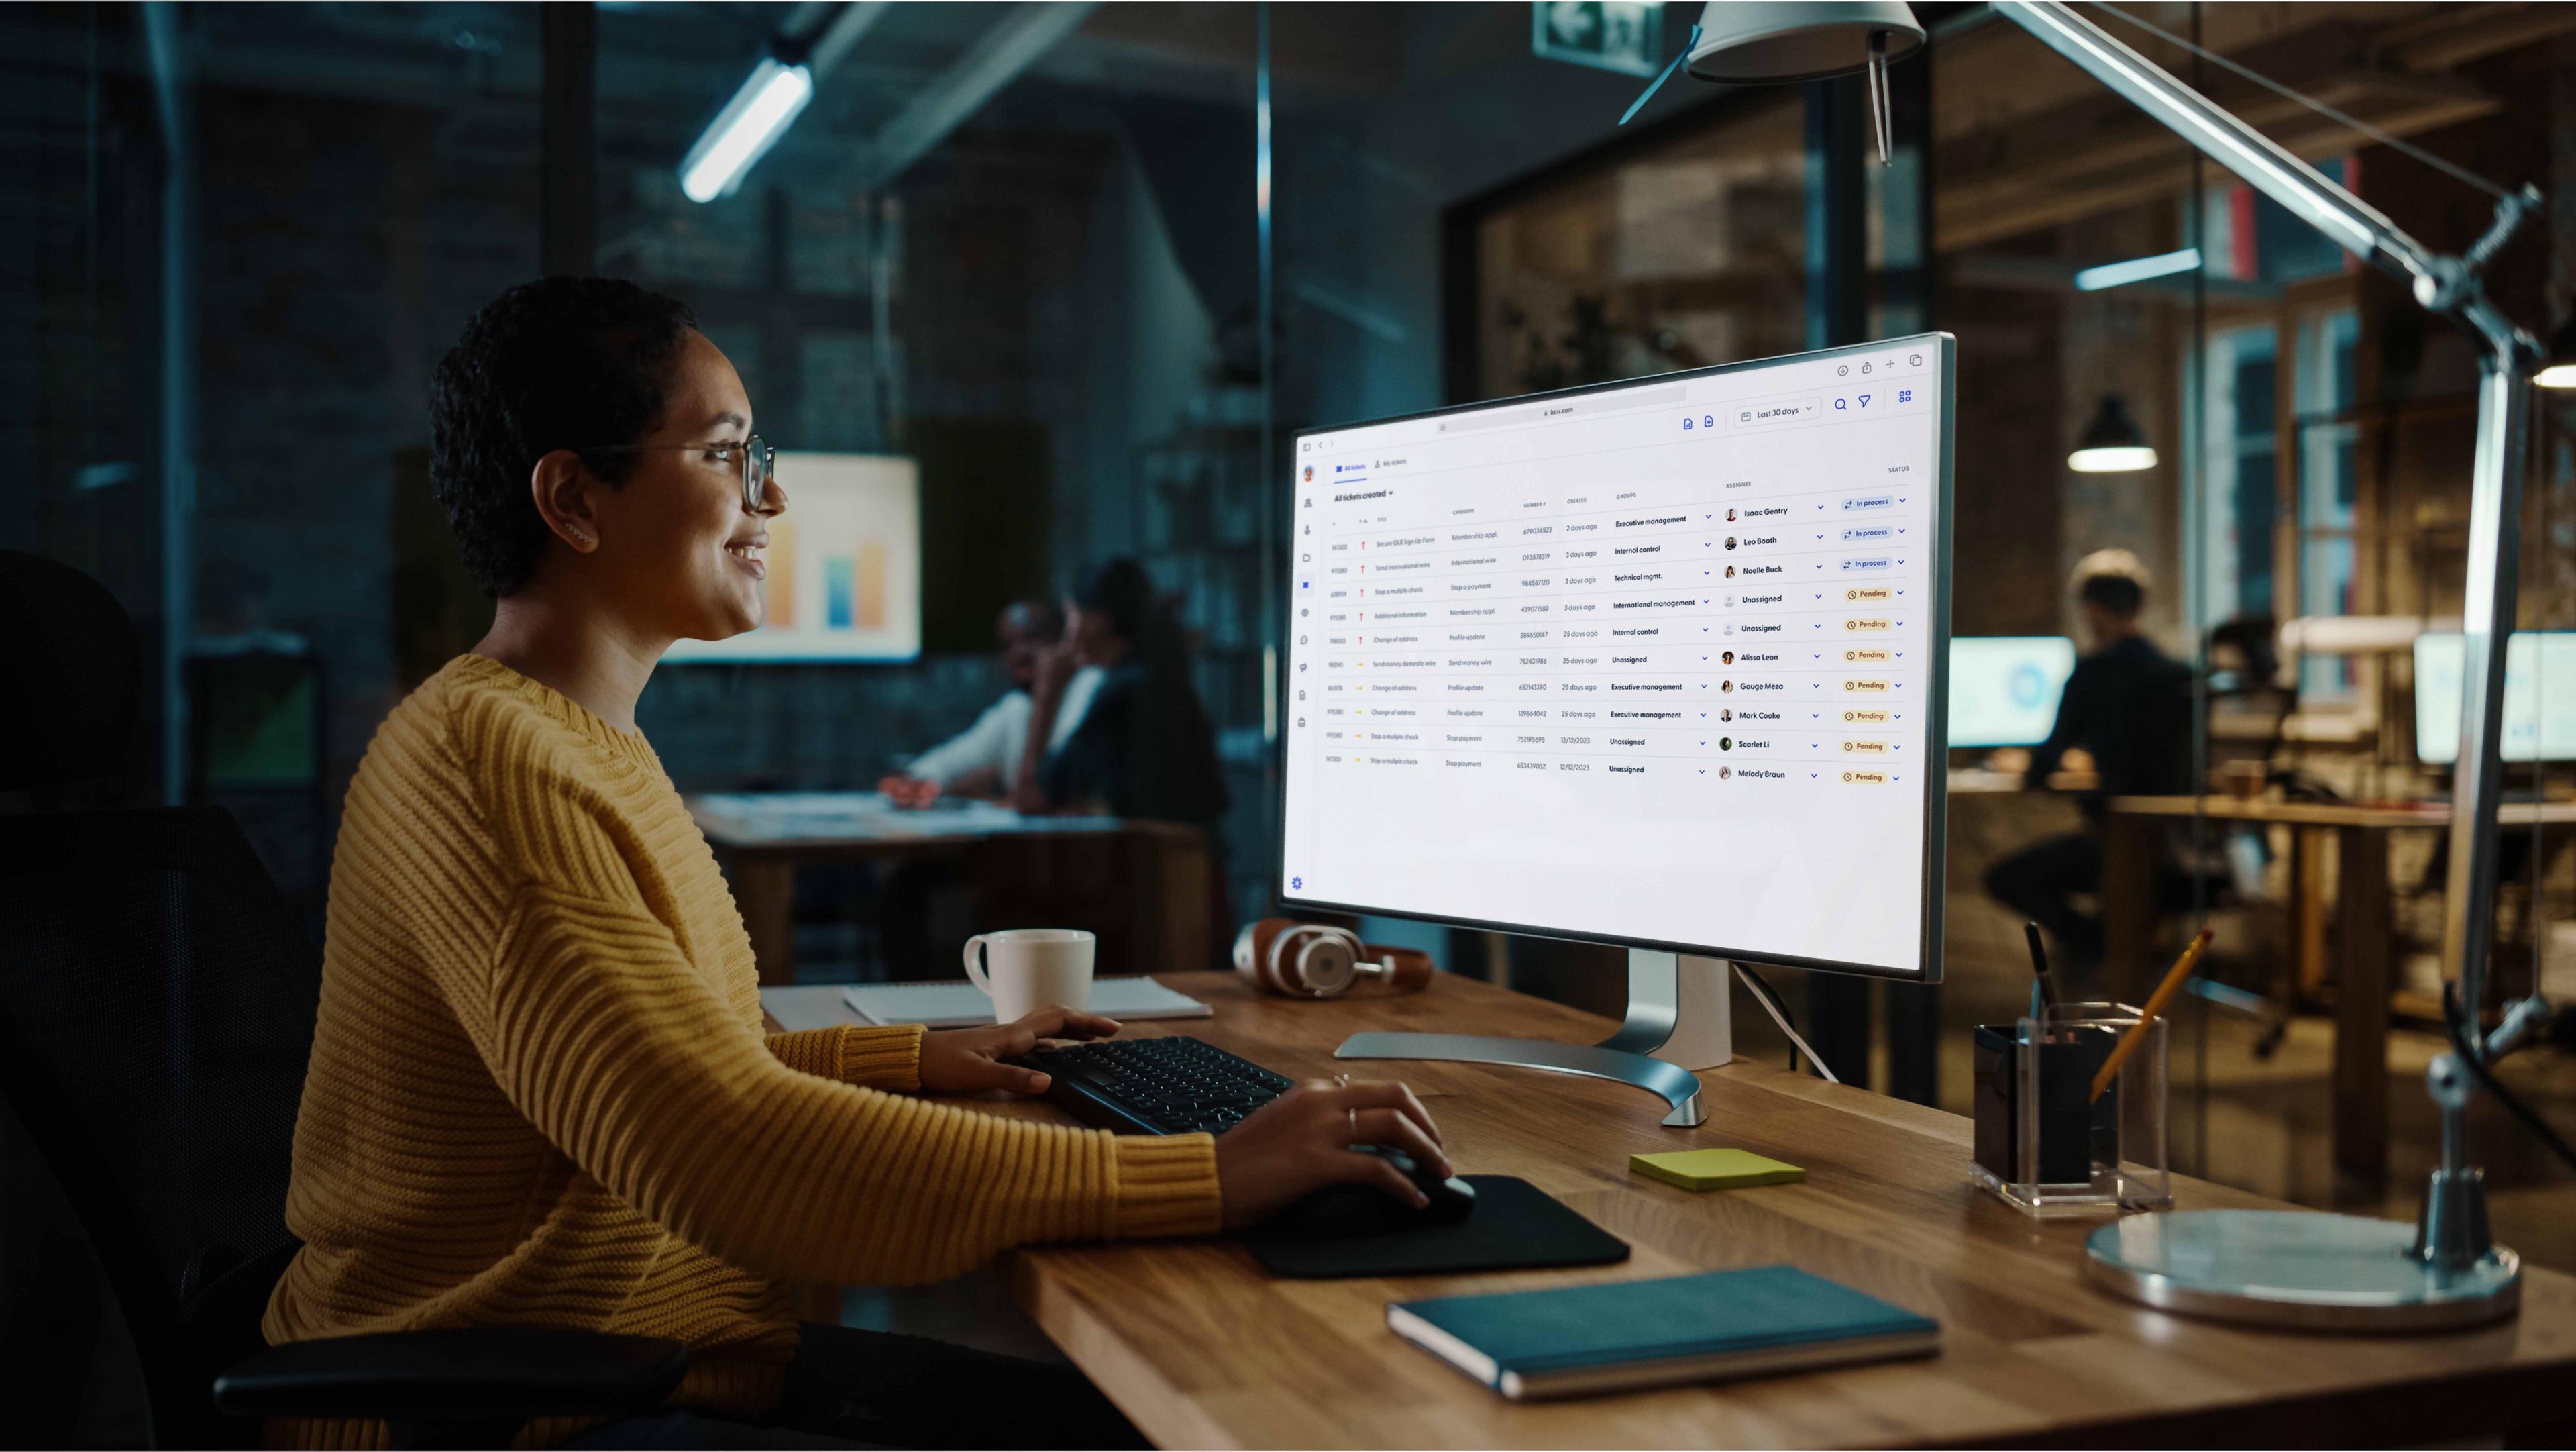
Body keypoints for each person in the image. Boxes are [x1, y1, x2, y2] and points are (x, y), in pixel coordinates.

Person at [262, 278, 1444, 1450]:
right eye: (728, 453)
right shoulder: (488, 758)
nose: (770, 492)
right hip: (516, 1404)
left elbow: (676, 1063)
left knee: (1136, 1419)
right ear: (574, 497)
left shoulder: (574, 740)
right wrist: (1205, 1175)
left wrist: (917, 1057)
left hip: (630, 1353)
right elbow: (714, 1143)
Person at [1984, 549, 2195, 971]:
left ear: (2092, 610)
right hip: (2180, 851)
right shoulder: (2176, 674)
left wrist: (2022, 767)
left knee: (2004, 879)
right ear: (2141, 605)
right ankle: (2119, 950)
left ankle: (2101, 946)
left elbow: (2042, 770)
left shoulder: (2094, 673)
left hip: (2115, 845)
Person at [1010, 558, 1229, 831]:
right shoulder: (1158, 676)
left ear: (1098, 621)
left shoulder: (1119, 693)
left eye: (1071, 616)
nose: (1067, 634)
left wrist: (1046, 693)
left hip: (1154, 868)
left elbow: (1030, 799)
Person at [879, 601, 1102, 807]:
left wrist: (1047, 693)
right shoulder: (1017, 707)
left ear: (1064, 641)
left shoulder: (1092, 690)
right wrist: (914, 779)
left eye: (1032, 639)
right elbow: (955, 759)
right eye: (1008, 645)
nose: (1020, 652)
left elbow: (1048, 795)